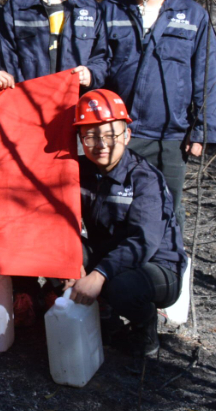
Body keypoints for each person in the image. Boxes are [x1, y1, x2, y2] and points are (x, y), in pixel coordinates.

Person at [99, 0, 216, 224]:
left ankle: (169, 257)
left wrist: (203, 131)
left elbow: (206, 76)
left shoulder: (193, 15)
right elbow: (96, 65)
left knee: (167, 212)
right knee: (116, 211)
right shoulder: (109, 11)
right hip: (118, 134)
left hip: (170, 137)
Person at [67, 88, 186, 357]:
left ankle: (145, 328)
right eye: (90, 136)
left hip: (157, 266)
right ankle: (105, 319)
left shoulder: (145, 179)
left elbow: (143, 243)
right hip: (109, 256)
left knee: (121, 288)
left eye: (110, 135)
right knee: (60, 251)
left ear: (127, 136)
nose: (101, 144)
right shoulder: (80, 171)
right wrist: (67, 267)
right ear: (81, 139)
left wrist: (98, 275)